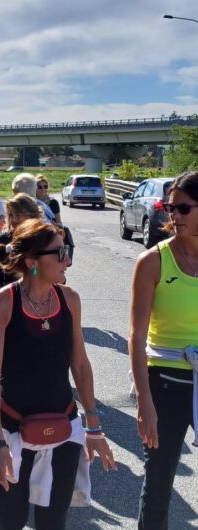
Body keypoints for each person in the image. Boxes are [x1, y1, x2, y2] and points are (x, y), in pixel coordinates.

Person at [0, 219, 116, 530]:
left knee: (53, 522)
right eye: (59, 253)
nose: (67, 260)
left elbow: (80, 365)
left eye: (67, 250)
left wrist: (93, 427)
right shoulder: (2, 304)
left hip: (64, 427)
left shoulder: (69, 299)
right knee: (10, 521)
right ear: (32, 262)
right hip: (13, 429)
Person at [129, 171, 198, 530]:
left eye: (184, 208)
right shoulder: (153, 261)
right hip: (165, 382)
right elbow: (136, 336)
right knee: (158, 483)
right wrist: (144, 401)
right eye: (171, 208)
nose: (175, 216)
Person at [0, 193, 42, 293]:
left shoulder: (46, 239)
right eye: (11, 214)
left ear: (33, 215)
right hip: (10, 298)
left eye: (19, 215)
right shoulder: (4, 240)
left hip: (40, 298)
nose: (14, 219)